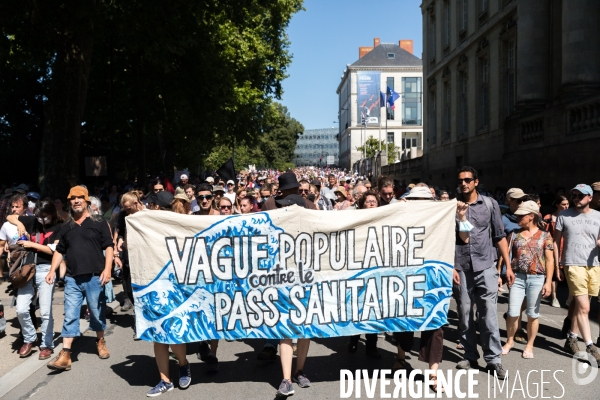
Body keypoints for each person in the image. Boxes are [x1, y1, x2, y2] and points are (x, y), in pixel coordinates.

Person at [45, 186, 114, 371]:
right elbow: (60, 251)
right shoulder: (65, 226)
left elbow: (109, 246)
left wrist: (107, 269)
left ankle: (100, 340)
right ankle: (66, 354)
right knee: (70, 315)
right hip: (72, 279)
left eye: (79, 198)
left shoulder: (99, 222)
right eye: (72, 198)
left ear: (87, 201)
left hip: (94, 277)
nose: (76, 201)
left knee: (97, 313)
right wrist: (52, 271)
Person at [453, 166, 512, 379]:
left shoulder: (490, 204)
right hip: (461, 267)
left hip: (486, 265)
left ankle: (494, 360)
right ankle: (470, 356)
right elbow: (452, 240)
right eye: (460, 180)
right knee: (465, 315)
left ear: (476, 182)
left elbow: (499, 235)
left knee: (488, 316)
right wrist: (451, 267)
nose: (464, 183)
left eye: (468, 179)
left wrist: (508, 265)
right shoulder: (452, 207)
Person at [7, 200, 62, 360]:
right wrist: (19, 224)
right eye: (38, 217)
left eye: (44, 217)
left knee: (45, 311)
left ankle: (46, 344)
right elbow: (10, 217)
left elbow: (55, 250)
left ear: (52, 214)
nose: (41, 220)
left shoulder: (59, 227)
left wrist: (31, 244)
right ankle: (29, 338)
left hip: (46, 269)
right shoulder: (32, 221)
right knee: (22, 309)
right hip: (27, 270)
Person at [501, 201, 554, 359]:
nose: (517, 217)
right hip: (517, 277)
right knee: (512, 312)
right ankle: (509, 341)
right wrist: (501, 273)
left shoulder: (546, 236)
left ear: (531, 216)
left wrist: (548, 281)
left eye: (521, 215)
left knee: (532, 313)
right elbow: (505, 255)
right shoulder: (514, 234)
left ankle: (529, 345)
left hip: (537, 278)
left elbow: (549, 260)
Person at [555, 184, 600, 362]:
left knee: (581, 304)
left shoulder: (598, 216)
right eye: (574, 195)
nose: (576, 198)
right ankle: (591, 346)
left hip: (594, 265)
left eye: (580, 195)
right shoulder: (564, 215)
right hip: (573, 264)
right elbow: (556, 241)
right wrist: (557, 264)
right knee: (585, 307)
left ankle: (571, 338)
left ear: (590, 198)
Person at [274, 194, 312, 397]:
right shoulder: (276, 226)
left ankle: (300, 370)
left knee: (305, 330)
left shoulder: (312, 226)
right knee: (285, 330)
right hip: (282, 284)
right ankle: (286, 378)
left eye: (285, 207)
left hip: (307, 283)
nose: (282, 209)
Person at [347, 190, 381, 359]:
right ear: (361, 205)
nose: (371, 203)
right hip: (357, 269)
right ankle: (353, 338)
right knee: (357, 306)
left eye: (374, 201)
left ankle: (371, 345)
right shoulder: (354, 219)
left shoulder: (384, 219)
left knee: (372, 309)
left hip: (376, 270)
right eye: (368, 201)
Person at [543, 195, 569, 308]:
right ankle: (554, 297)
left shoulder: (571, 216)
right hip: (554, 248)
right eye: (563, 204)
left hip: (567, 247)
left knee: (568, 272)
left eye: (567, 204)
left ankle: (570, 298)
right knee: (554, 273)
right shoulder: (549, 217)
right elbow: (545, 234)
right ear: (557, 205)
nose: (566, 206)